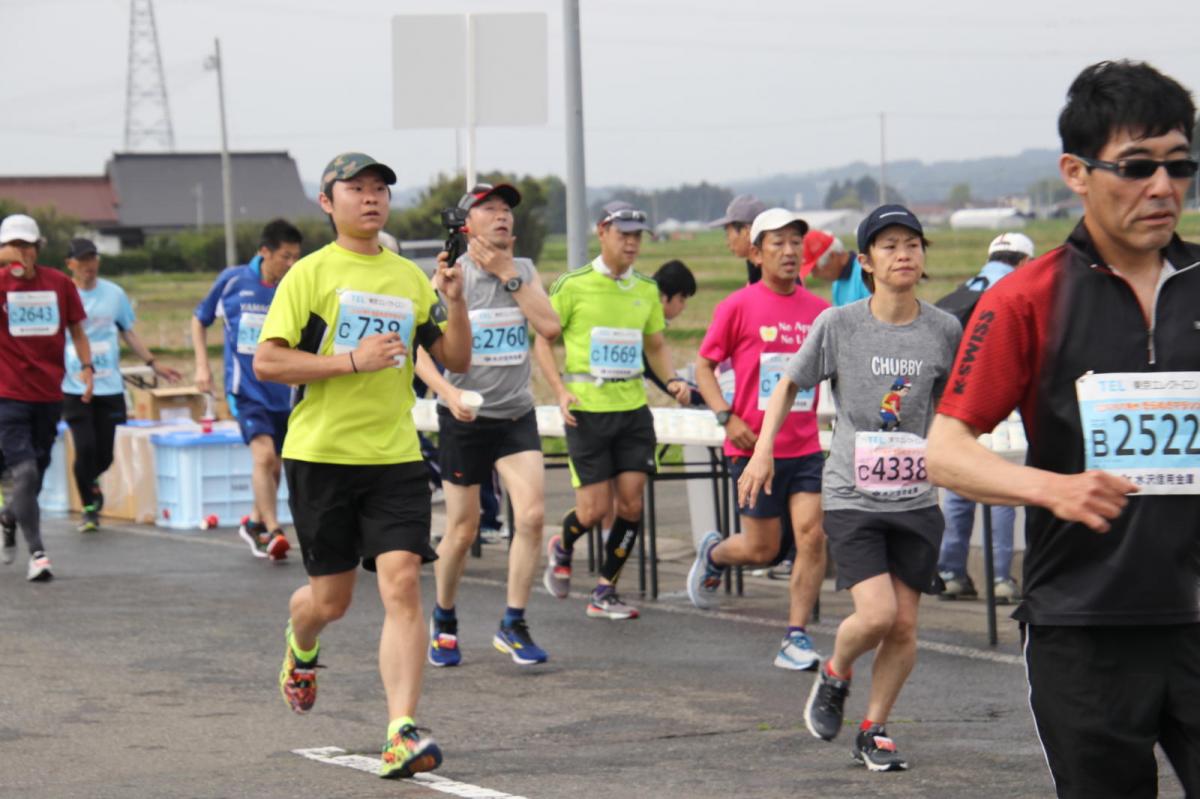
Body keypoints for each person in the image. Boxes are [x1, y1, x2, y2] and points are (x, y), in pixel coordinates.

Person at [926, 60, 1200, 797]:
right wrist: (1055, 488)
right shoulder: (1025, 298)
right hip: (1084, 626)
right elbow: (947, 453)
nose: (1163, 187)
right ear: (1076, 172)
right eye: (1138, 167)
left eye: (1181, 166)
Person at [254, 152, 471, 779]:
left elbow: (453, 358)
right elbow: (269, 362)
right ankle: (301, 646)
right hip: (321, 456)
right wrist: (350, 361)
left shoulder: (408, 277)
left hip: (394, 457)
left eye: (380, 188)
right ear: (328, 203)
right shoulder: (309, 275)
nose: (371, 198)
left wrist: (452, 302)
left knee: (403, 580)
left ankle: (400, 731)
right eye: (356, 188)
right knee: (331, 601)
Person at [741, 204, 961, 771]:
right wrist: (763, 449)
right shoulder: (839, 325)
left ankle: (875, 728)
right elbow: (789, 381)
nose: (904, 254)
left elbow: (957, 407)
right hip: (853, 493)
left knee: (906, 624)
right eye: (888, 246)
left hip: (916, 496)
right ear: (865, 261)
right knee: (878, 613)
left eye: (912, 244)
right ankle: (836, 671)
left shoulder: (943, 330)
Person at [413, 182, 561, 667]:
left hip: (515, 413)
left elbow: (550, 327)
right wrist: (448, 392)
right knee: (462, 528)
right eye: (489, 209)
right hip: (465, 417)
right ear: (466, 224)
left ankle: (513, 623)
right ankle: (445, 617)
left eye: (507, 210)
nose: (502, 217)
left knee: (534, 516)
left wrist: (508, 275)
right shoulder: (449, 278)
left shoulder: (522, 270)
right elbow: (420, 351)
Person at [689, 208, 830, 672]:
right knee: (762, 549)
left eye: (796, 242)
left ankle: (795, 636)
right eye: (778, 243)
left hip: (805, 445)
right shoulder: (738, 306)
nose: (790, 252)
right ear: (756, 252)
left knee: (811, 535)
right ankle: (714, 553)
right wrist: (726, 417)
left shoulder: (820, 312)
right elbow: (705, 365)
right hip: (753, 450)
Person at [535, 201, 690, 620]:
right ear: (602, 232)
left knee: (631, 504)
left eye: (638, 236)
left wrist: (672, 380)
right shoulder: (573, 285)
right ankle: (562, 545)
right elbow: (543, 340)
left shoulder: (644, 290)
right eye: (624, 234)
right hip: (587, 411)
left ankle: (606, 589)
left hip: (633, 411)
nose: (632, 243)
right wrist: (559, 390)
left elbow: (655, 345)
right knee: (592, 510)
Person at [193, 219, 302, 560]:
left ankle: (254, 522)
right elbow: (200, 319)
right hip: (245, 390)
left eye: (296, 257)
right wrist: (201, 366)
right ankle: (274, 529)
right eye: (285, 257)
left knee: (275, 466)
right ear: (264, 252)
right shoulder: (233, 281)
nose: (291, 264)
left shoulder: (294, 286)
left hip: (284, 392)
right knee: (263, 456)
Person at [935, 232, 1034, 602]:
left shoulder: (964, 290)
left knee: (962, 485)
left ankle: (951, 571)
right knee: (1000, 487)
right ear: (1024, 261)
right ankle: (999, 578)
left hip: (954, 403)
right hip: (999, 401)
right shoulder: (1016, 288)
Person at [61, 237, 181, 533]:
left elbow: (128, 333)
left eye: (93, 259)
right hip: (75, 386)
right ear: (71, 264)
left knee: (105, 454)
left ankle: (92, 482)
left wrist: (154, 364)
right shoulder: (62, 293)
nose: (90, 265)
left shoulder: (114, 294)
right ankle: (89, 508)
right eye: (83, 260)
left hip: (110, 385)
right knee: (85, 447)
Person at [0, 214, 93, 581]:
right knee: (22, 471)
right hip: (7, 395)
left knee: (35, 474)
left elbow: (77, 330)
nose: (21, 253)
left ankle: (8, 515)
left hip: (49, 393)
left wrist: (87, 367)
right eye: (14, 245)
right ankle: (38, 554)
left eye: (27, 245)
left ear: (38, 248)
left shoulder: (58, 283)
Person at [801, 229, 872, 307]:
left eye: (815, 270)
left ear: (832, 256)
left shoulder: (865, 274)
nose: (814, 276)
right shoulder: (837, 282)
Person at [709, 194, 768, 285]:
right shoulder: (758, 269)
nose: (727, 243)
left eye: (728, 233)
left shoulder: (773, 277)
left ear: (747, 232)